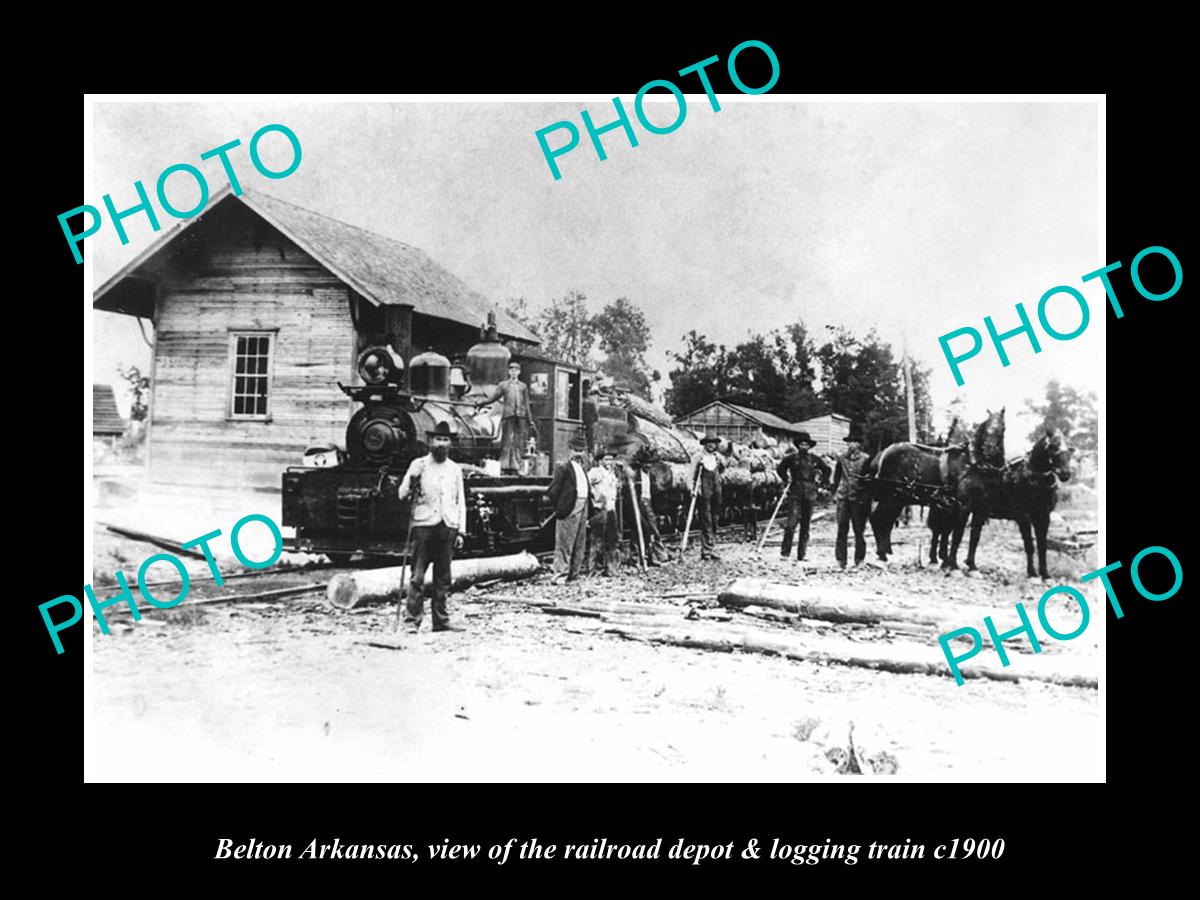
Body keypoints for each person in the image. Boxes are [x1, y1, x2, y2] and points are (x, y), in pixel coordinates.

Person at [395, 421, 466, 633]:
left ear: (450, 443)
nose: (441, 444)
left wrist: (460, 530)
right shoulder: (419, 465)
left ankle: (441, 622)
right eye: (438, 439)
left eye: (445, 440)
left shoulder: (455, 469)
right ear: (430, 441)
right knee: (417, 577)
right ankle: (411, 622)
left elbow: (459, 500)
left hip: (448, 526)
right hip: (424, 526)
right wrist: (412, 478)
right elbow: (402, 494)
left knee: (443, 578)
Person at [776, 431, 831, 561]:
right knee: (791, 524)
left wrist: (821, 481)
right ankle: (785, 553)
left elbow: (827, 470)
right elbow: (780, 469)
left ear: (809, 446)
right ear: (798, 445)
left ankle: (802, 554)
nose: (804, 447)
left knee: (805, 526)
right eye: (802, 444)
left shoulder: (815, 460)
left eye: (806, 445)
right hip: (795, 492)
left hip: (810, 494)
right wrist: (786, 478)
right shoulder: (791, 458)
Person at [476, 360, 538, 474]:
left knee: (519, 441)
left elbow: (526, 403)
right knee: (507, 440)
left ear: (519, 372)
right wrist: (481, 402)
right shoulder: (503, 385)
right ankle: (504, 466)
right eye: (512, 370)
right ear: (509, 372)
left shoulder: (523, 386)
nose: (514, 372)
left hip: (521, 416)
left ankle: (516, 467)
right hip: (508, 415)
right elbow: (493, 397)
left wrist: (530, 420)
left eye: (516, 370)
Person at [546, 435, 591, 583]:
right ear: (570, 451)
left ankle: (574, 575)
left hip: (582, 507)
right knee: (564, 545)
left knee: (579, 544)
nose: (579, 453)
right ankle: (560, 575)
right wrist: (561, 507)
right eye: (576, 450)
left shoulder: (583, 468)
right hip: (570, 509)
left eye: (581, 450)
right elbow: (553, 491)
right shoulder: (564, 468)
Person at [831, 424, 871, 568]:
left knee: (859, 530)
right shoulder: (841, 459)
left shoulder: (866, 459)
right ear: (847, 443)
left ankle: (859, 559)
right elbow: (836, 477)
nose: (852, 444)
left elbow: (869, 480)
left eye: (855, 442)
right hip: (843, 498)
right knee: (842, 530)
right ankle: (841, 560)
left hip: (859, 500)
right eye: (850, 442)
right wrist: (834, 493)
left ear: (859, 444)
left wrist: (866, 497)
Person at [627, 455, 669, 565]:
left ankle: (650, 557)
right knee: (638, 529)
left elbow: (655, 492)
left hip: (648, 503)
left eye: (650, 464)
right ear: (641, 464)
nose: (648, 466)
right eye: (646, 464)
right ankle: (635, 557)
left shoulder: (651, 476)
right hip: (638, 503)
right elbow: (630, 493)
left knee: (651, 530)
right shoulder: (636, 476)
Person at [586, 450, 620, 576]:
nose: (609, 462)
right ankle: (593, 570)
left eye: (611, 460)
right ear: (600, 460)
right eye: (606, 459)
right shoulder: (595, 472)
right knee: (597, 540)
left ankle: (610, 569)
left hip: (611, 509)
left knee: (612, 540)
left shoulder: (612, 474)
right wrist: (595, 496)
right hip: (600, 510)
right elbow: (586, 483)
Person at [692, 433, 724, 560]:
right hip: (704, 492)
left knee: (715, 520)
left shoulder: (717, 457)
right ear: (704, 443)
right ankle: (706, 550)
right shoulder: (698, 457)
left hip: (716, 491)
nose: (711, 445)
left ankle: (712, 547)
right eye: (709, 442)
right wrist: (692, 489)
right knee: (706, 520)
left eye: (713, 442)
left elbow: (721, 471)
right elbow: (691, 474)